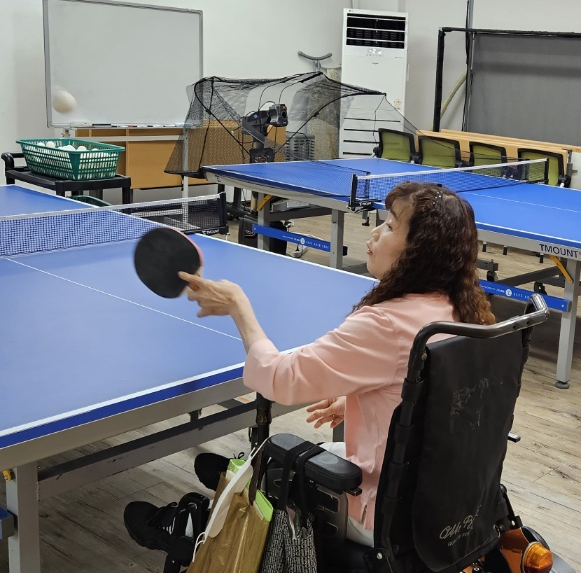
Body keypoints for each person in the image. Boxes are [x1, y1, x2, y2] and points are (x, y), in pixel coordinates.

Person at [125, 181, 494, 548]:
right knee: (287, 459)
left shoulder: (385, 324)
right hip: (442, 499)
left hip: (386, 512)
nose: (374, 233)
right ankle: (245, 476)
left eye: (390, 226)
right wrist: (367, 398)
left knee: (281, 458)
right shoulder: (460, 310)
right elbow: (435, 395)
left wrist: (238, 307)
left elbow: (280, 379)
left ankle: (198, 530)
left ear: (419, 249)